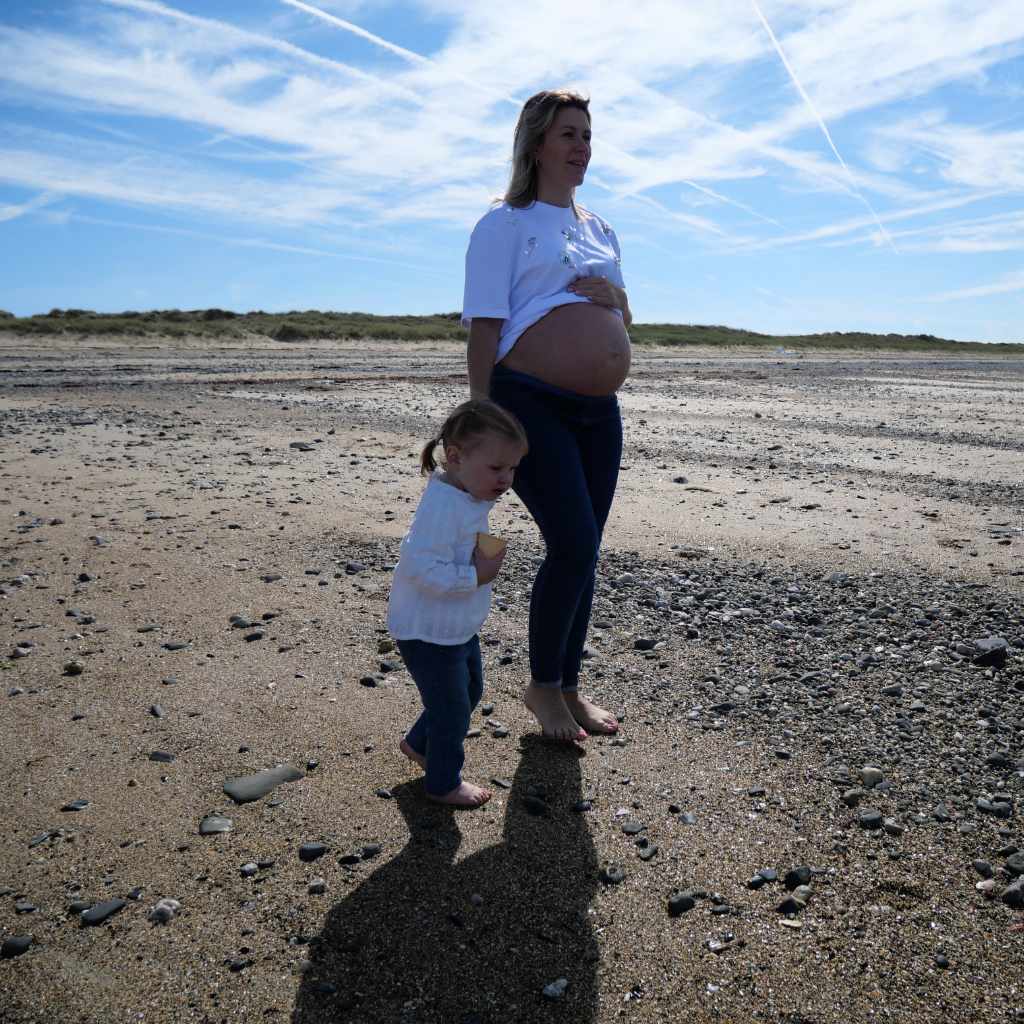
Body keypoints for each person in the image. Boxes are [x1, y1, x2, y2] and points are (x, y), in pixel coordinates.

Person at [461, 89, 631, 743]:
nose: (582, 145)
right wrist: (482, 417)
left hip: (598, 410)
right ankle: (541, 686)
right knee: (574, 543)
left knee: (584, 552)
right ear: (536, 143)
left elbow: (620, 317)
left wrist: (617, 297)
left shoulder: (600, 228)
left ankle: (567, 686)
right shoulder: (505, 223)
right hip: (527, 398)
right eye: (567, 134)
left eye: (587, 134)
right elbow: (484, 326)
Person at [386, 398, 528, 807]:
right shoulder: (442, 507)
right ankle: (443, 782)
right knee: (451, 708)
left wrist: (477, 561)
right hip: (427, 630)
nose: (506, 479)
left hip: (454, 624)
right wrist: (476, 574)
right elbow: (418, 566)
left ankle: (418, 744)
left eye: (513, 469)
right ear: (455, 457)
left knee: (469, 691)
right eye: (496, 468)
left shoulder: (467, 495)